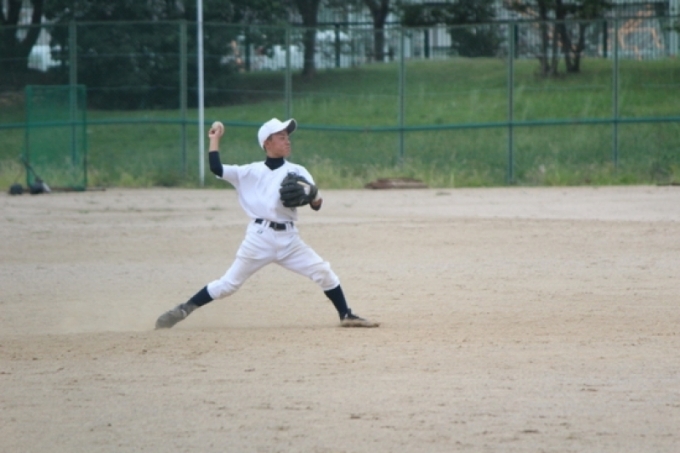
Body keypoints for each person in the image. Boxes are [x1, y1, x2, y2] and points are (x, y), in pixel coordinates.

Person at [155, 118, 379, 329]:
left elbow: (317, 205)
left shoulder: (298, 170)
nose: (287, 140)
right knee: (228, 285)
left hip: (289, 239)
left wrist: (313, 195)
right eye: (281, 137)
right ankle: (183, 310)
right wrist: (214, 139)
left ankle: (346, 315)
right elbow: (217, 168)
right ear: (267, 143)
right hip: (259, 238)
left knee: (323, 271)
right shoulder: (249, 172)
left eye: (287, 136)